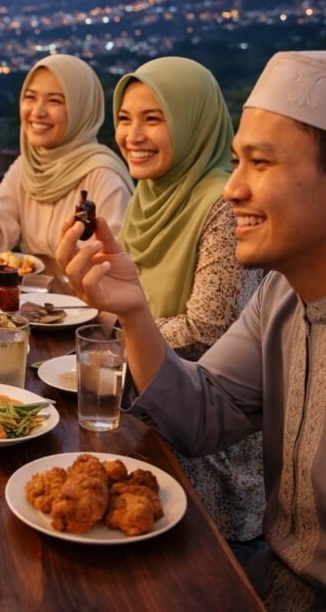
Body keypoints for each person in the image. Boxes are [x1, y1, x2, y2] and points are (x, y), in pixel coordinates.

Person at [57, 51, 326, 609]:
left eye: (262, 163)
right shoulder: (280, 294)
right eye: (236, 161)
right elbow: (203, 414)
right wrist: (132, 313)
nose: (232, 189)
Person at [112, 56, 264, 541]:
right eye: (124, 118)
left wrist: (115, 343)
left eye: (153, 119)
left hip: (207, 439)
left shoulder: (223, 204)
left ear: (193, 124)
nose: (133, 135)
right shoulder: (148, 196)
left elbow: (205, 332)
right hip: (143, 400)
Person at [0, 54, 133, 257]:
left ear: (82, 110)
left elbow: (116, 270)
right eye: (30, 97)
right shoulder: (28, 167)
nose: (37, 111)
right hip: (33, 295)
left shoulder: (104, 177)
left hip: (84, 296)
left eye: (54, 101)